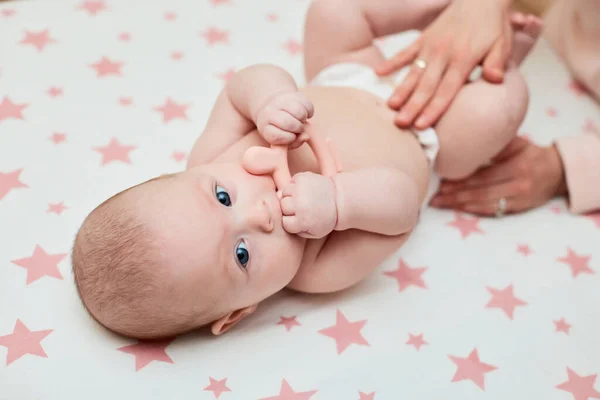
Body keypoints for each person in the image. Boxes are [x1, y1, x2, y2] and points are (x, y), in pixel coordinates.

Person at [71, 0, 540, 339]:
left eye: (222, 197)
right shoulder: (317, 271)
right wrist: (339, 205)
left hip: (346, 72)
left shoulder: (213, 153)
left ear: (181, 174)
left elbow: (241, 86)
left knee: (331, 12)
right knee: (497, 107)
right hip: (431, 132)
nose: (259, 214)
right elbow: (402, 211)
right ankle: (501, 59)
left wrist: (270, 99)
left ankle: (442, 13)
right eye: (241, 255)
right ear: (241, 312)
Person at [376, 0, 600, 216]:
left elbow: (394, 221)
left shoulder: (433, 160)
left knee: (486, 113)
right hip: (569, 37)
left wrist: (574, 165)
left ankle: (507, 62)